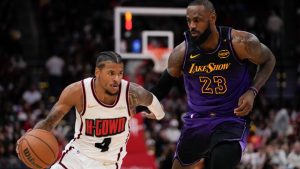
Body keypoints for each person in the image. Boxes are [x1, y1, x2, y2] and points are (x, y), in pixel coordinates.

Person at [144, 0, 276, 169]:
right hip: (197, 122)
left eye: (197, 20)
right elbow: (161, 88)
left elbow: (268, 59)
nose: (192, 25)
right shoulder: (181, 53)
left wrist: (252, 90)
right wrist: (136, 106)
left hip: (231, 119)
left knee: (220, 162)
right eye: (189, 21)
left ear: (212, 18)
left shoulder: (240, 43)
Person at [16, 51, 165, 169]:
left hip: (108, 163)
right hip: (77, 157)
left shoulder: (131, 92)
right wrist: (27, 138)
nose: (117, 79)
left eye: (120, 73)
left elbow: (151, 99)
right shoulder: (77, 92)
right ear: (97, 72)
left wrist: (158, 115)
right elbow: (49, 122)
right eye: (111, 73)